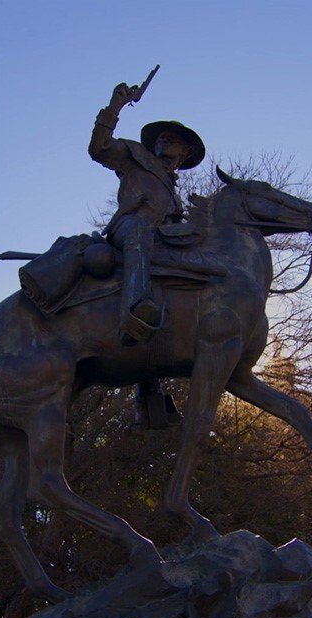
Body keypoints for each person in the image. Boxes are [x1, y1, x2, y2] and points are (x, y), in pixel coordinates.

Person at [88, 78, 205, 427]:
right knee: (140, 231)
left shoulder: (173, 191)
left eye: (173, 139)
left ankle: (150, 389)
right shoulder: (135, 157)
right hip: (129, 230)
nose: (164, 140)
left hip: (161, 241)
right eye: (162, 137)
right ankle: (135, 313)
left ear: (184, 153)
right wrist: (115, 106)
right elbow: (99, 148)